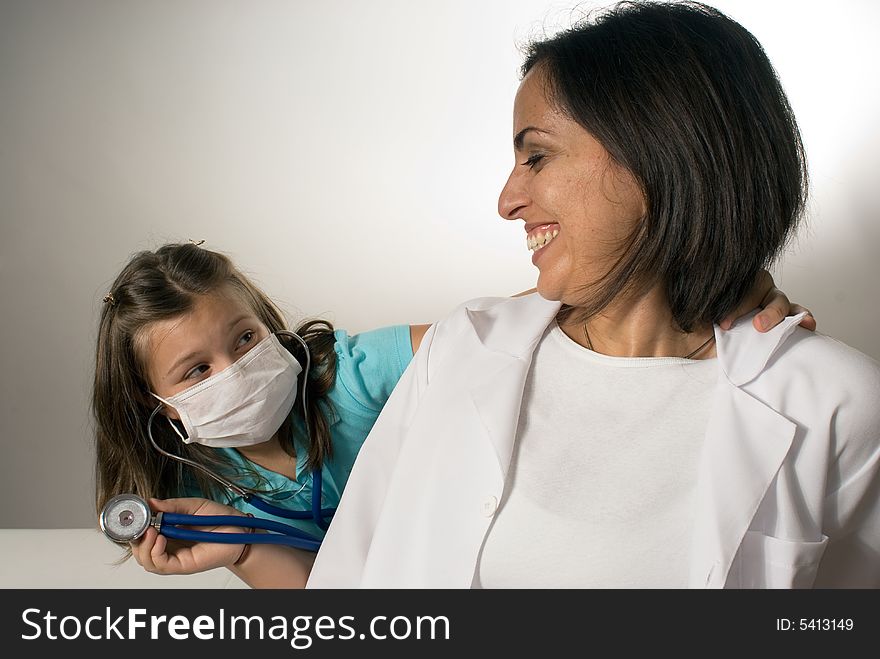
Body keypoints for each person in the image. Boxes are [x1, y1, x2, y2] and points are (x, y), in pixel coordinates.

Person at [306, 1, 880, 588]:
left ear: (661, 151)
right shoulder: (460, 348)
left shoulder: (835, 403)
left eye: (537, 156)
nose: (507, 201)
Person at [94, 240, 804, 589]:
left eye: (245, 337)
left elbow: (515, 336)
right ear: (155, 405)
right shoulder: (203, 493)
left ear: (268, 322)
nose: (237, 368)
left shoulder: (349, 374)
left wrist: (714, 282)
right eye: (196, 371)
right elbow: (331, 603)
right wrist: (239, 547)